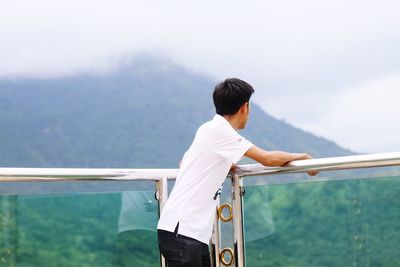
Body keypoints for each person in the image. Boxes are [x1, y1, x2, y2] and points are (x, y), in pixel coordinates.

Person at [157, 78, 317, 267]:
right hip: (182, 232)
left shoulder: (209, 129)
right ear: (245, 107)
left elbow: (185, 161)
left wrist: (224, 164)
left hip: (187, 232)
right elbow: (268, 159)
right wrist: (304, 157)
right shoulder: (221, 132)